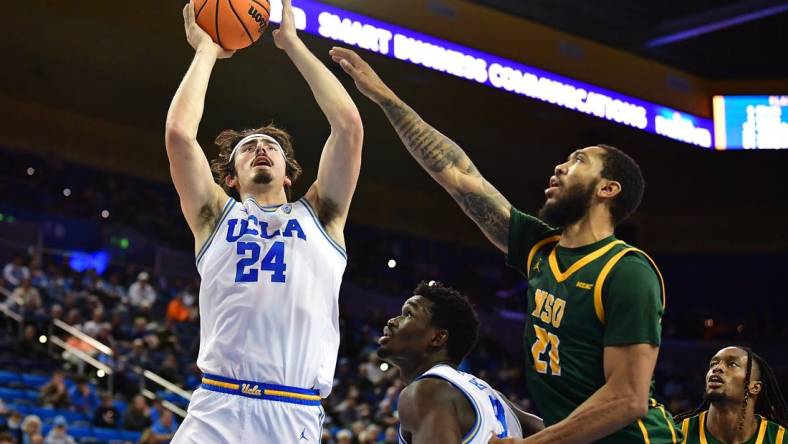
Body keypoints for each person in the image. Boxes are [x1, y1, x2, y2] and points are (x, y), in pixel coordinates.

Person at [331, 47, 676, 443]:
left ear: (608, 189)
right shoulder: (540, 250)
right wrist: (384, 97)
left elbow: (628, 399)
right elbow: (460, 176)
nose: (561, 166)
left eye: (579, 160)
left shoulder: (627, 271)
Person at [164, 0, 362, 441]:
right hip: (215, 406)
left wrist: (292, 44)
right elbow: (179, 134)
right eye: (248, 147)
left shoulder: (322, 215)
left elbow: (347, 126)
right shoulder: (214, 215)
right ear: (230, 178)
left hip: (292, 413)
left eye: (269, 146)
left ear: (289, 174)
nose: (260, 149)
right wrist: (206, 51)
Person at [378, 281, 543, 443]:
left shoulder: (425, 391)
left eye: (408, 314)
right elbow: (560, 434)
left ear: (437, 337)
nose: (392, 320)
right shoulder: (492, 396)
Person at [674, 346, 787, 443]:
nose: (717, 368)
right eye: (713, 364)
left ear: (754, 387)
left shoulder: (779, 439)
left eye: (731, 364)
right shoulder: (679, 435)